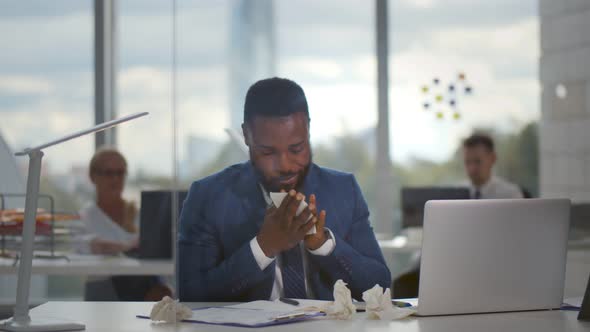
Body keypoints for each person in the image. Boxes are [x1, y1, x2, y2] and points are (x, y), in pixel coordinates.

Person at [178, 77, 391, 302]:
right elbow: (191, 294)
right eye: (268, 152)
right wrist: (263, 247)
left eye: (296, 149)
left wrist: (324, 246)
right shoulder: (209, 196)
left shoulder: (343, 190)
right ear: (246, 135)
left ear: (308, 129)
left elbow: (381, 287)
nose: (286, 165)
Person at [79, 147, 171, 301]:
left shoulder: (140, 214)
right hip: (105, 289)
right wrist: (127, 246)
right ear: (92, 176)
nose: (115, 179)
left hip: (148, 287)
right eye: (109, 173)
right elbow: (85, 245)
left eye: (120, 173)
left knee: (163, 293)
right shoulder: (85, 217)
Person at [462, 133, 523, 199]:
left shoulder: (511, 194)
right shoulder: (455, 195)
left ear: (493, 158)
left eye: (478, 161)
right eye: (467, 162)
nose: (472, 168)